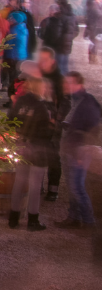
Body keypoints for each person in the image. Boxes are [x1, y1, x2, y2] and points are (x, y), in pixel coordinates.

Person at [9, 71, 55, 231]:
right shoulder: (42, 106)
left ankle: (13, 218)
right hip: (38, 148)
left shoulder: (21, 101)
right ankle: (33, 220)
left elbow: (10, 120)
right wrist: (52, 125)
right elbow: (46, 133)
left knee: (19, 181)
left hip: (21, 145)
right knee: (35, 186)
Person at [57, 71, 101, 230]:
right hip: (70, 149)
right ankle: (73, 217)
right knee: (71, 186)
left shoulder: (87, 103)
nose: (66, 86)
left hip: (79, 151)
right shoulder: (73, 101)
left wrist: (83, 150)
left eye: (69, 83)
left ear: (79, 84)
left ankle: (89, 221)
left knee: (77, 186)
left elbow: (93, 128)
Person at [37, 46, 67, 202]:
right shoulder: (35, 75)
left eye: (45, 59)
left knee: (53, 156)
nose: (41, 62)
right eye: (40, 59)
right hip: (37, 124)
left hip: (53, 125)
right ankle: (38, 185)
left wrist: (56, 119)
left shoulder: (60, 80)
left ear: (52, 61)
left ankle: (53, 189)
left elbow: (66, 102)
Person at [2, 0, 32, 103]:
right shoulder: (24, 28)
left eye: (11, 19)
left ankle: (12, 100)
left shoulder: (13, 30)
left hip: (12, 57)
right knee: (18, 79)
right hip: (21, 57)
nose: (9, 21)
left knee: (12, 79)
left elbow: (7, 44)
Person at [86, 0, 102, 65]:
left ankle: (93, 58)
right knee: (94, 42)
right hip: (94, 26)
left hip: (95, 26)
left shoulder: (96, 3)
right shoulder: (93, 3)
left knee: (95, 42)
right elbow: (97, 13)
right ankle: (93, 58)